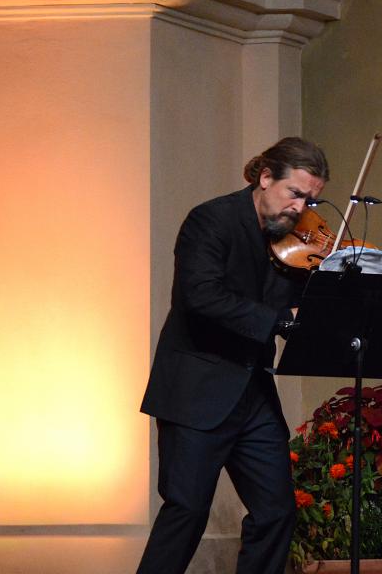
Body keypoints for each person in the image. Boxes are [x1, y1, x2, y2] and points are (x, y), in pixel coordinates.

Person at [136, 137, 329, 574]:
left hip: (253, 393)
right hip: (197, 389)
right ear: (265, 178)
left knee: (276, 512)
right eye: (295, 193)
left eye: (311, 199)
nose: (302, 208)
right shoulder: (211, 220)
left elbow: (308, 303)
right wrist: (281, 318)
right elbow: (202, 296)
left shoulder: (296, 243)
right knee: (186, 512)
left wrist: (338, 277)